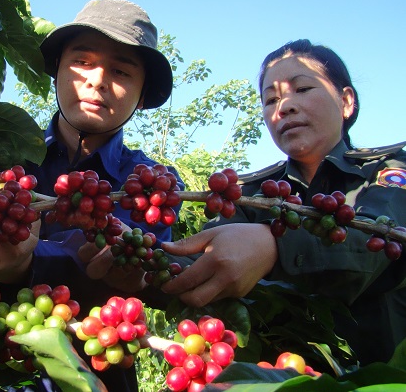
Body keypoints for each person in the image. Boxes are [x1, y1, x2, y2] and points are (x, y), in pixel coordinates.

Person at [0, 0, 182, 390]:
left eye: (120, 71)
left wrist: (26, 261)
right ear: (57, 72)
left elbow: (133, 257)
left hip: (98, 372)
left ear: (143, 96)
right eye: (82, 62)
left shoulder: (151, 182)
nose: (97, 80)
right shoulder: (0, 158)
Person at [161, 39, 406, 365]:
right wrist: (142, 264)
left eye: (303, 89)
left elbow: (378, 238)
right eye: (270, 99)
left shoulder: (389, 169)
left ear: (346, 101)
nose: (284, 106)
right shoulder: (249, 195)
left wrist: (275, 247)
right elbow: (204, 264)